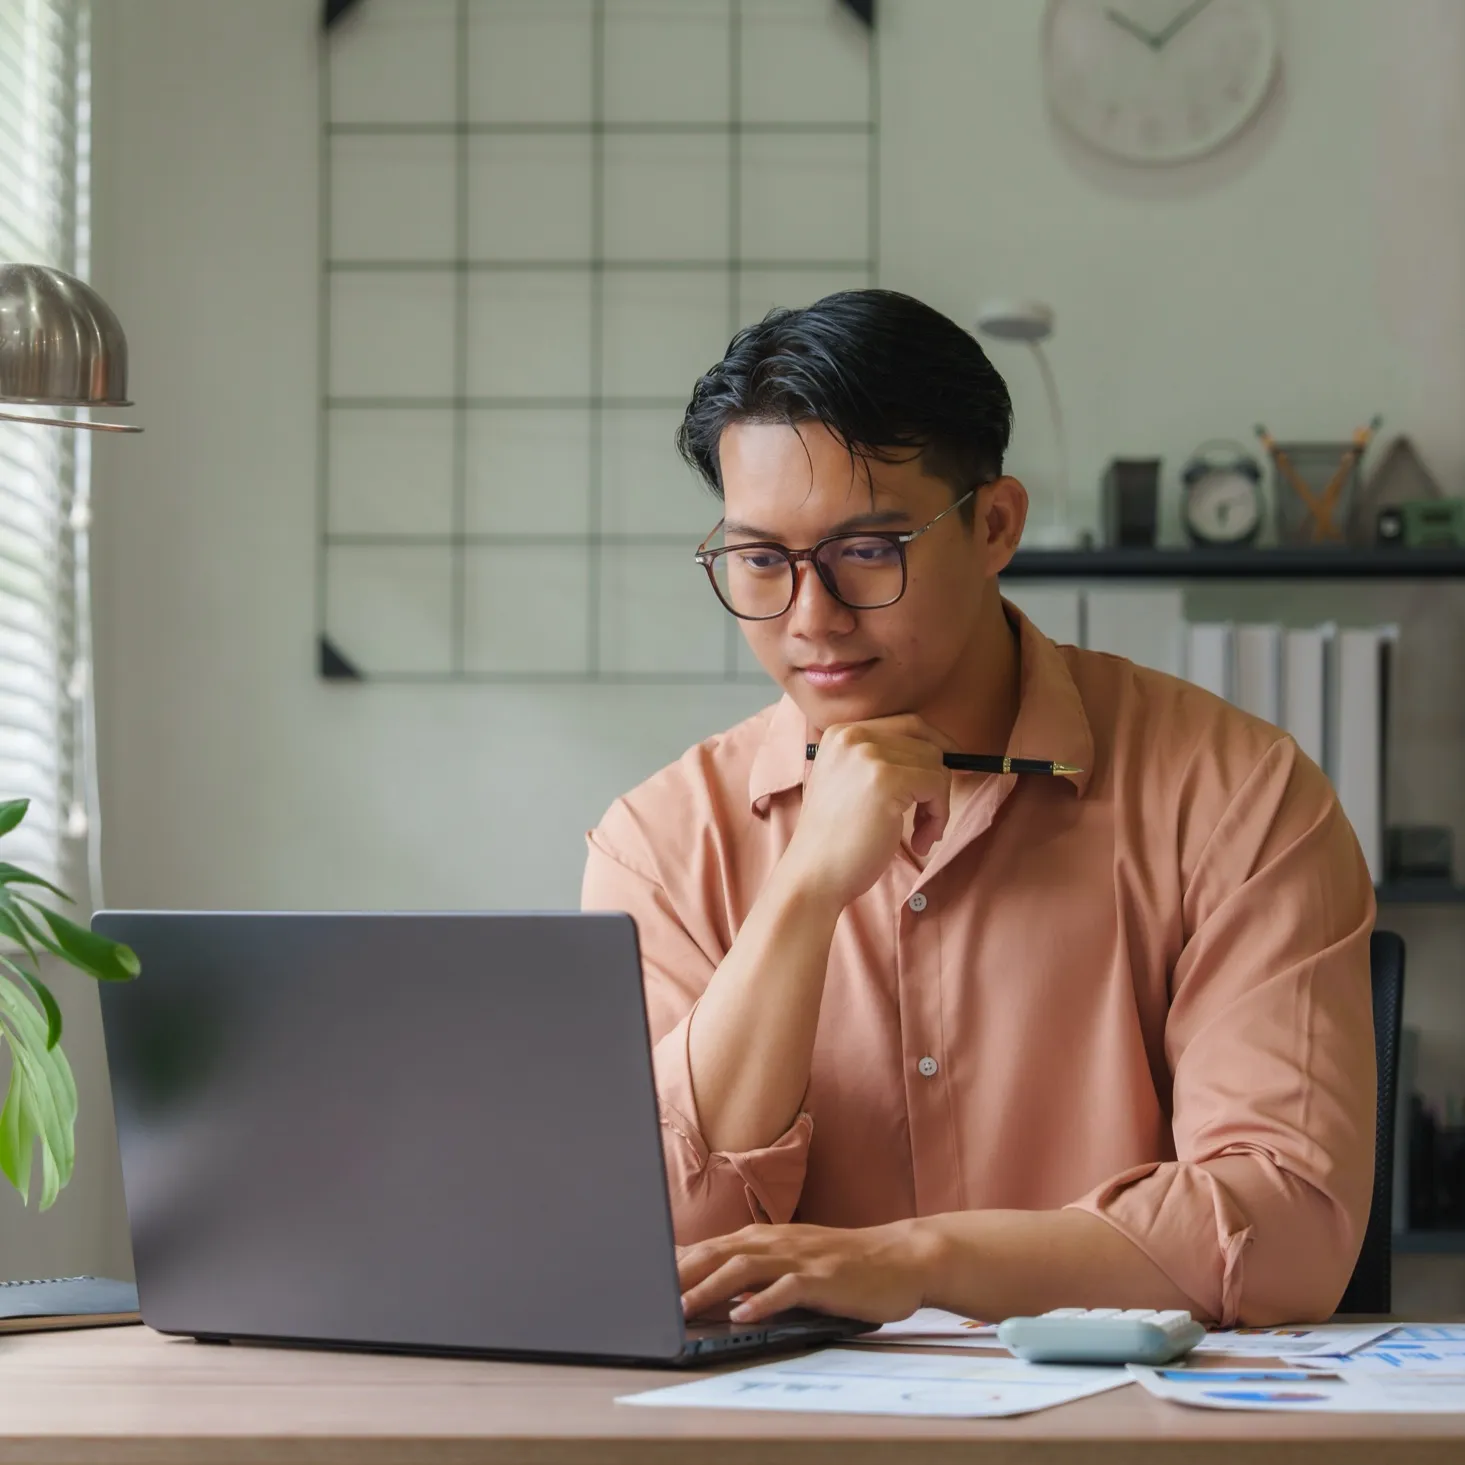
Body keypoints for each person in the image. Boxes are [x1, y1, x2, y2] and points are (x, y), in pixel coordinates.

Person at [580, 289, 1375, 1330]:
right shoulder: (660, 842)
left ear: (994, 523)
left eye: (868, 551)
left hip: (1124, 1433)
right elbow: (656, 1245)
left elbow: (1286, 1230)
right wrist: (807, 890)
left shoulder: (1239, 796)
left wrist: (918, 1261)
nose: (810, 619)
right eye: (762, 561)